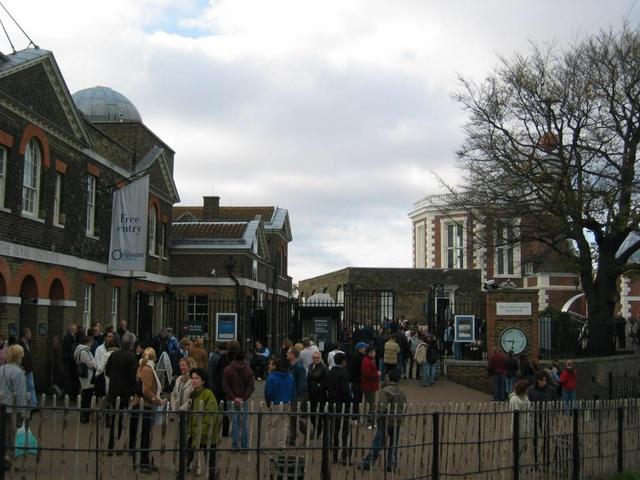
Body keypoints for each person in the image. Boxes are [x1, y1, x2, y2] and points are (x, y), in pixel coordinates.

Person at [358, 369, 407, 472]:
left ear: (388, 377)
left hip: (385, 420)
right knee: (393, 444)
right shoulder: (401, 392)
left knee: (378, 443)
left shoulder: (385, 390)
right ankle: (392, 464)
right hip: (397, 420)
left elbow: (382, 407)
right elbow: (404, 406)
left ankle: (368, 463)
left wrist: (378, 416)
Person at [130, 347, 164, 473]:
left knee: (142, 435)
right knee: (144, 436)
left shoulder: (141, 367)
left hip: (139, 404)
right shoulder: (148, 369)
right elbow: (146, 390)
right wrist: (156, 399)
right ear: (154, 358)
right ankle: (142, 462)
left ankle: (142, 461)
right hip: (144, 405)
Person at [105, 332, 138, 451]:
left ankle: (111, 445)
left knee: (115, 419)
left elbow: (107, 371)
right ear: (132, 344)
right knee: (129, 420)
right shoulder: (132, 357)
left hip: (114, 391)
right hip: (126, 393)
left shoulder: (114, 355)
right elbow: (133, 376)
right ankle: (129, 446)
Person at [188, 368, 221, 477]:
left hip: (207, 436)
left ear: (203, 381)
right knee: (186, 459)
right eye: (192, 378)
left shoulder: (208, 394)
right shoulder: (193, 394)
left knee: (211, 464)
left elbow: (210, 417)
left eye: (196, 378)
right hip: (194, 434)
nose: (193, 381)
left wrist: (201, 433)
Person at [0, 345, 28, 470]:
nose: (24, 355)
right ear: (19, 356)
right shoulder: (18, 373)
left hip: (2, 407)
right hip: (12, 409)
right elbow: (21, 394)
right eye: (22, 353)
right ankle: (9, 461)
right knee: (12, 436)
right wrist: (24, 411)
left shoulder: (1, 369)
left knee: (3, 434)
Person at [222, 349, 255, 450]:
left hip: (231, 399)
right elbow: (251, 387)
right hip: (243, 399)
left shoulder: (228, 369)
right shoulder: (248, 370)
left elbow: (225, 386)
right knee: (244, 423)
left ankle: (235, 445)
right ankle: (244, 446)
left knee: (234, 422)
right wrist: (243, 398)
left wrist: (233, 397)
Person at [324, 352, 352, 465]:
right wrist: (349, 400)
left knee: (334, 431)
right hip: (342, 404)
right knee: (345, 431)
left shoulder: (329, 372)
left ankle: (334, 456)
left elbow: (324, 387)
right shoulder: (344, 373)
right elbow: (346, 390)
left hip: (331, 402)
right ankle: (345, 458)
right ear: (343, 362)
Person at [263, 357, 295, 449]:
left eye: (271, 364)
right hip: (286, 402)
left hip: (275, 403)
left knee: (271, 425)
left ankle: (269, 444)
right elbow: (293, 390)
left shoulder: (271, 377)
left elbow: (268, 392)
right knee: (284, 424)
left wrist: (268, 402)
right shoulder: (290, 376)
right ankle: (281, 445)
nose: (269, 365)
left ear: (275, 365)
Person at [286, 347, 307, 445]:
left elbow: (301, 384)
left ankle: (304, 434)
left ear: (293, 355)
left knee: (294, 416)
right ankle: (293, 437)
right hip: (291, 395)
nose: (287, 354)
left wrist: (299, 396)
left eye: (288, 353)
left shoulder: (299, 368)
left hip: (297, 396)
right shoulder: (290, 367)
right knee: (293, 417)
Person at [74, 335, 97, 423]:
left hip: (87, 376)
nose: (92, 344)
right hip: (87, 376)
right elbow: (90, 363)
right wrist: (95, 365)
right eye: (91, 342)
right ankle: (84, 417)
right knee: (86, 398)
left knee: (87, 397)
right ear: (87, 342)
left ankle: (85, 416)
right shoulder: (84, 352)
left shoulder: (83, 350)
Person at [307, 350, 328, 437]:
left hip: (320, 395)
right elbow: (309, 377)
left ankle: (318, 431)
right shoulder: (311, 366)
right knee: (312, 413)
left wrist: (318, 385)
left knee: (318, 413)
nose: (316, 359)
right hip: (311, 393)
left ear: (321, 358)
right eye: (314, 357)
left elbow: (324, 381)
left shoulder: (324, 367)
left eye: (318, 357)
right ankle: (316, 429)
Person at [360, 345, 380, 427]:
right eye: (374, 352)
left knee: (370, 403)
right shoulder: (367, 361)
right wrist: (376, 374)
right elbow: (367, 374)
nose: (375, 353)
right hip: (369, 386)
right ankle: (369, 421)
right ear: (370, 353)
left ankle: (369, 419)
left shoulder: (369, 360)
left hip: (370, 385)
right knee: (371, 404)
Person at [19, 328, 36, 408]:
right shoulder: (20, 345)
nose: (31, 335)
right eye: (29, 333)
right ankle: (24, 404)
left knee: (31, 387)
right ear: (25, 334)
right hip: (23, 370)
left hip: (29, 369)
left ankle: (33, 405)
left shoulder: (29, 343)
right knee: (23, 387)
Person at [348, 342, 366, 417]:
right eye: (364, 348)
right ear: (360, 349)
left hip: (354, 380)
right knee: (357, 399)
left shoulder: (354, 355)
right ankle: (355, 415)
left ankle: (355, 413)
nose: (365, 349)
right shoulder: (359, 357)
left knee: (356, 398)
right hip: (357, 381)